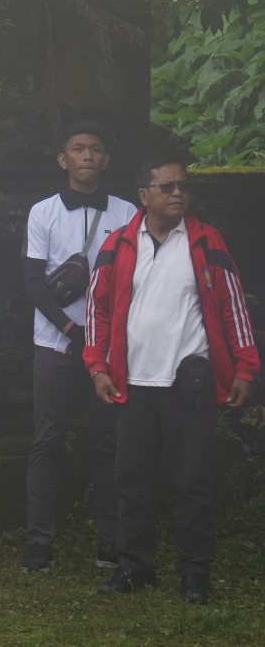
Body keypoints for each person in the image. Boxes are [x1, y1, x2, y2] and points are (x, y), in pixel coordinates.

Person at [86, 157, 258, 604]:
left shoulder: (206, 241)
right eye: (166, 186)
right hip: (133, 385)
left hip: (190, 384)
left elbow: (233, 308)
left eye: (183, 185)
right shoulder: (119, 245)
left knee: (194, 481)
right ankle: (134, 566)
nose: (177, 193)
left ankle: (194, 572)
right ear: (144, 195)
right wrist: (97, 366)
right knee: (132, 481)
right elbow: (97, 310)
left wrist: (244, 368)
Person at [20, 123, 136, 572]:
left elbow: (131, 281)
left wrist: (103, 340)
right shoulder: (42, 212)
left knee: (109, 443)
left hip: (108, 352)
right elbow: (33, 283)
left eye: (96, 150)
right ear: (62, 159)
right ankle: (39, 545)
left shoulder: (127, 212)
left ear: (106, 161)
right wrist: (71, 330)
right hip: (55, 346)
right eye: (78, 149)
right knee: (47, 439)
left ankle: (112, 542)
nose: (87, 156)